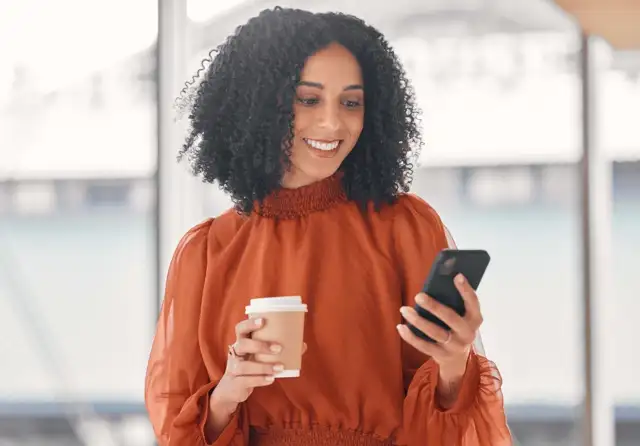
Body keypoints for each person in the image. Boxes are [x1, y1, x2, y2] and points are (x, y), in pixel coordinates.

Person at [145, 7, 512, 446]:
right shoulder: (206, 253)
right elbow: (178, 433)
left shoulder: (406, 228)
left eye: (351, 102)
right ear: (260, 104)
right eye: (309, 99)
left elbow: (443, 427)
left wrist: (455, 362)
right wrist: (230, 391)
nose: (333, 123)